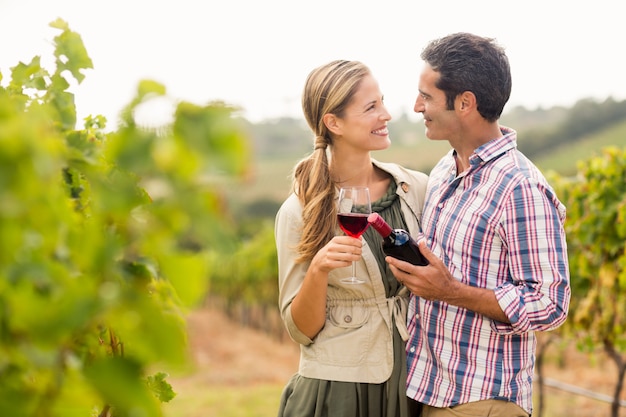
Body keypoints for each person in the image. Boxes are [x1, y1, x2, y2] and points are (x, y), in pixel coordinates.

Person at [385, 33, 571, 417]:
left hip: (482, 400)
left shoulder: (520, 186)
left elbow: (551, 303)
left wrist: (452, 291)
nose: (417, 106)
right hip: (431, 389)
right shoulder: (444, 169)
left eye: (427, 96)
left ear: (465, 103)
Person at [274, 59, 429, 417]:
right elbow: (301, 330)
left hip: (413, 382)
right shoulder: (300, 211)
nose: (387, 114)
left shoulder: (415, 188)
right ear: (334, 122)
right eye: (371, 107)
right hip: (339, 392)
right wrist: (318, 270)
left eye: (383, 102)